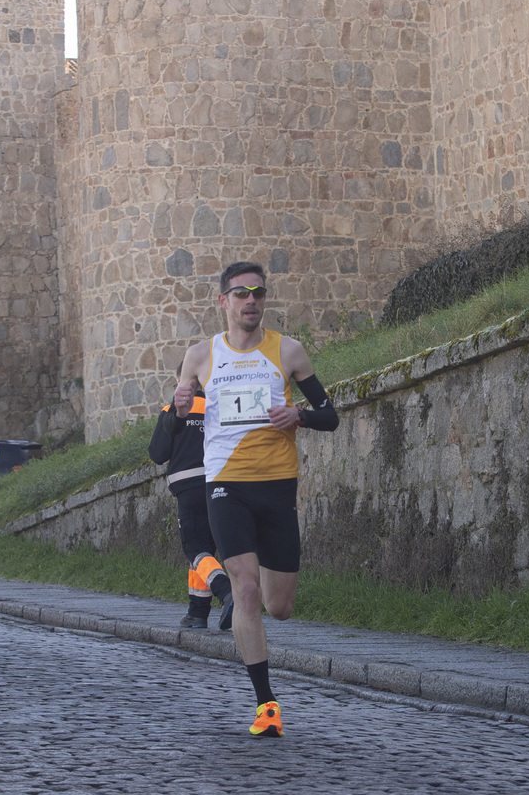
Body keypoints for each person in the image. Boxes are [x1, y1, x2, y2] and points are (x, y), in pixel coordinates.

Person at [174, 261, 339, 738]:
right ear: (223, 301)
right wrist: (178, 410)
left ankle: (260, 622)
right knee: (244, 589)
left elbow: (330, 416)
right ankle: (266, 703)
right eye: (241, 293)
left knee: (278, 605)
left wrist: (299, 416)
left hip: (276, 486)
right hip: (225, 485)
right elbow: (172, 425)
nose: (251, 301)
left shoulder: (289, 351)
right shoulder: (200, 357)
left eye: (259, 293)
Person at [148, 364, 233, 630]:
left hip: (189, 487)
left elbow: (158, 454)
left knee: (195, 548)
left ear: (181, 380)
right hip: (222, 484)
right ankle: (197, 613)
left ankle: (226, 591)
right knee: (206, 552)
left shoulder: (172, 411)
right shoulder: (220, 406)